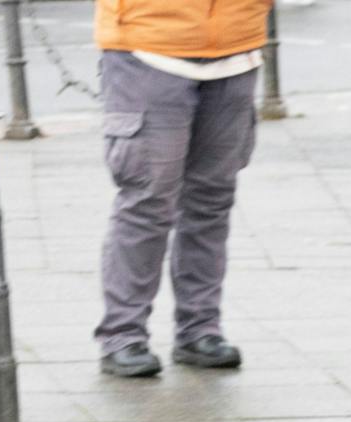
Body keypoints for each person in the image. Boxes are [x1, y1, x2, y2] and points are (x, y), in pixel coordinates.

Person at [93, 0, 269, 378]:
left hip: (238, 46)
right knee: (148, 200)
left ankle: (200, 330)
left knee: (212, 200)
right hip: (148, 44)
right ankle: (122, 335)